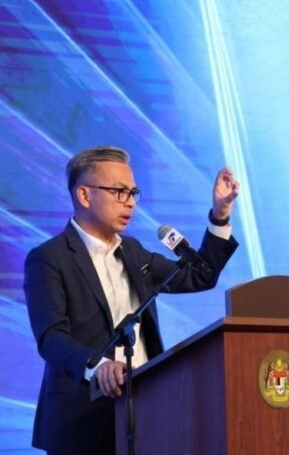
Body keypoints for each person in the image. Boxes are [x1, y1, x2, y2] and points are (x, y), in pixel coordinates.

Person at [24, 146, 240, 454]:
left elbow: (199, 275)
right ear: (84, 195)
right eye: (119, 192)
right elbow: (51, 337)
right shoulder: (49, 258)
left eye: (133, 193)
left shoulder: (134, 252)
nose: (130, 202)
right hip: (81, 420)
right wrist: (97, 365)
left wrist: (220, 214)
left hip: (145, 412)